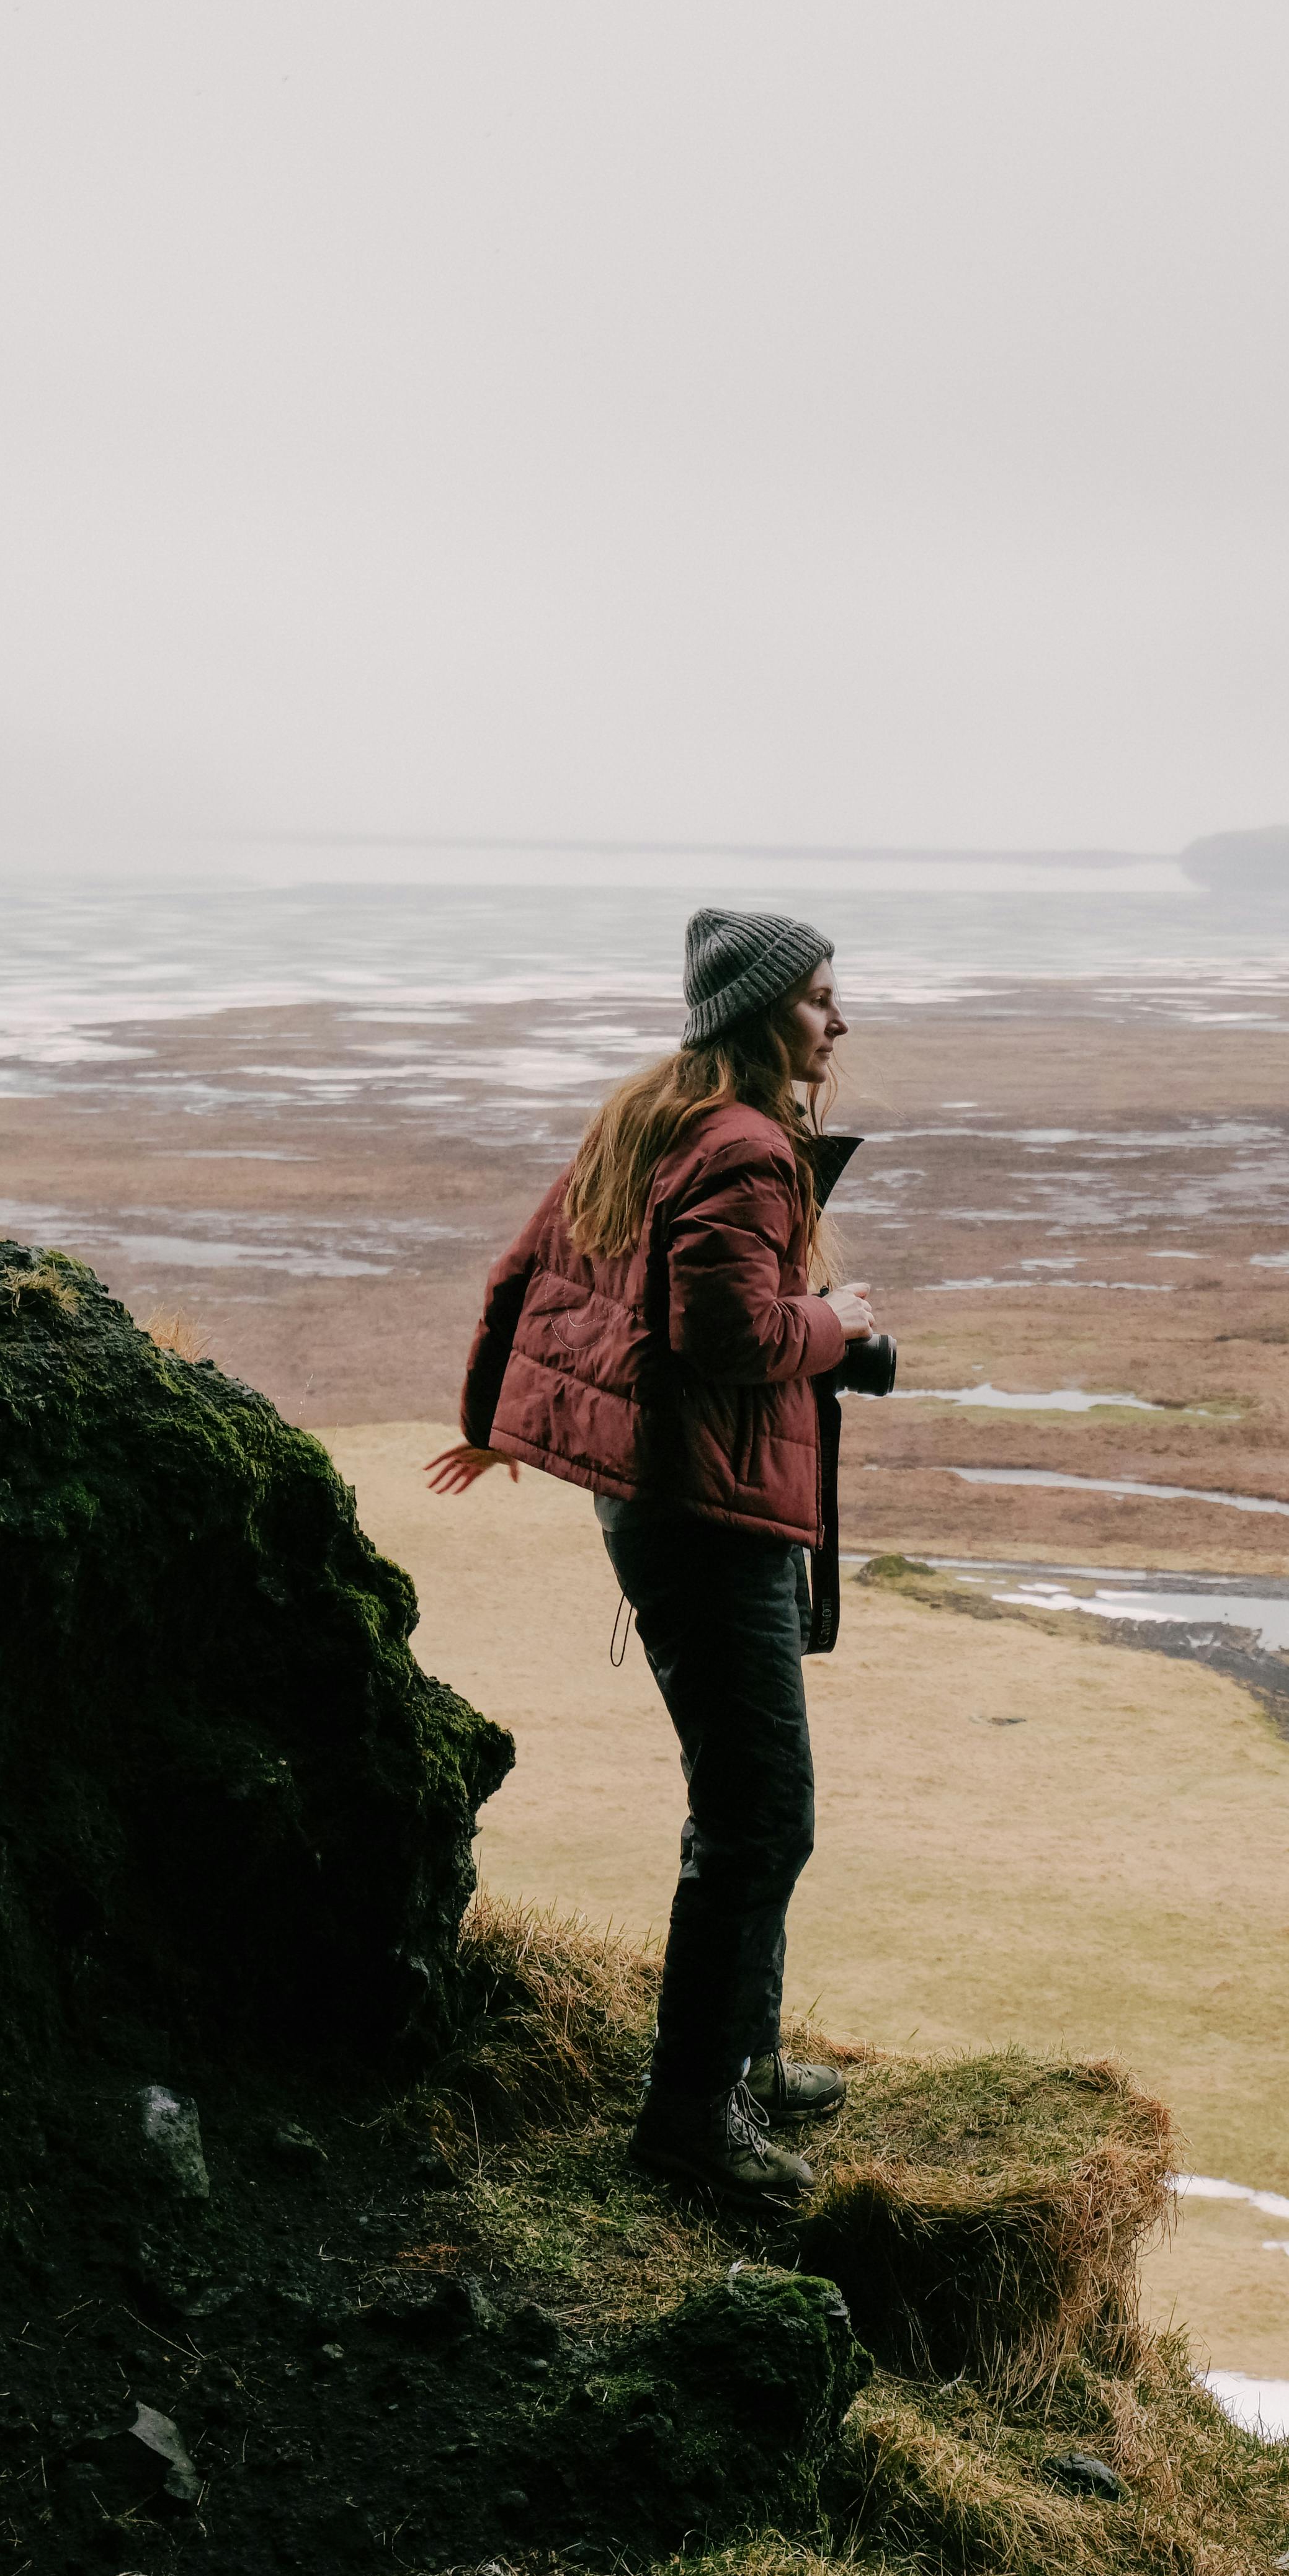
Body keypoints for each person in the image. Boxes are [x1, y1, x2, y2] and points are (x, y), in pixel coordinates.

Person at [434, 908, 891, 2205]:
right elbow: (727, 1336)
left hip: (662, 1503)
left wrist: (491, 1419)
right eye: (815, 999)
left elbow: (514, 1273)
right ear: (756, 1015)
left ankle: (738, 2058)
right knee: (760, 1816)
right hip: (708, 1517)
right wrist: (834, 1318)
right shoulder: (745, 1148)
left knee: (741, 1802)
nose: (838, 1021)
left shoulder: (648, 1115)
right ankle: (690, 2117)